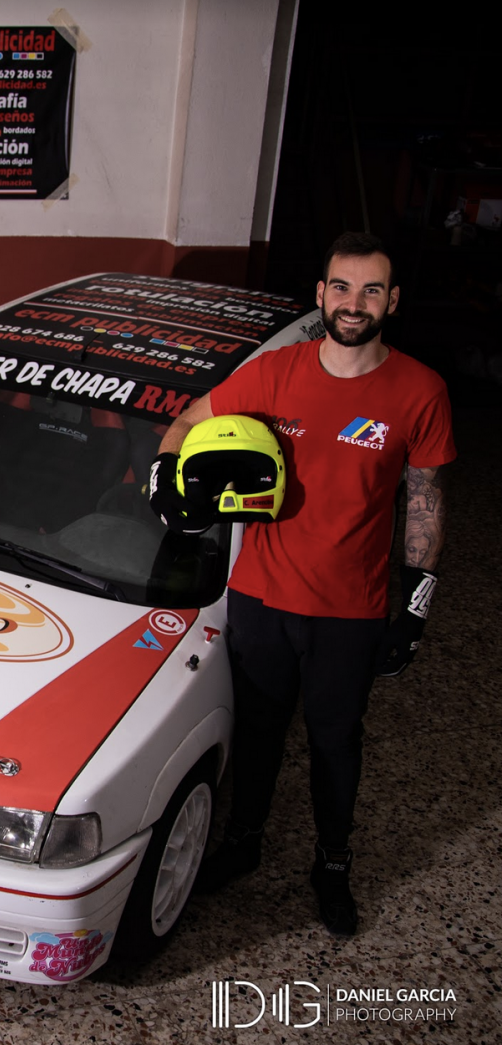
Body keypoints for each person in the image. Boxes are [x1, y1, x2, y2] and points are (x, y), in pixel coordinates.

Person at [147, 232, 456, 935]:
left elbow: (426, 499)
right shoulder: (273, 372)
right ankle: (244, 843)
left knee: (335, 741)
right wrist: (165, 481)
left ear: (393, 301)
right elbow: (189, 420)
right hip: (260, 597)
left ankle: (333, 864)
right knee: (258, 732)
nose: (354, 303)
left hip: (350, 609)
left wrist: (416, 606)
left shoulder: (420, 390)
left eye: (371, 289)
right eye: (341, 287)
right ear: (321, 294)